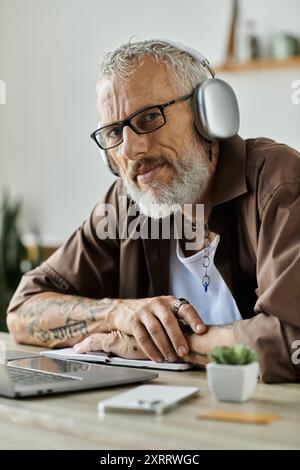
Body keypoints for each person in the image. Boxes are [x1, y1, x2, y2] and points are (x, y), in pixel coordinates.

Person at [7, 39, 300, 383]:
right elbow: (23, 310)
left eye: (149, 117)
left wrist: (161, 345)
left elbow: (291, 339)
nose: (131, 149)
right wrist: (118, 314)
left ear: (207, 113)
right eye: (114, 132)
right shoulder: (125, 204)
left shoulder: (279, 181)